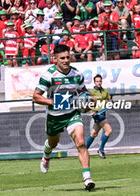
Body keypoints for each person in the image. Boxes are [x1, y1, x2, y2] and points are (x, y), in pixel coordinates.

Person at [32, 44, 95, 191]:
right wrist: (52, 102)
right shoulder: (49, 75)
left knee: (80, 142)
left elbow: (84, 92)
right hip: (54, 117)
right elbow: (36, 97)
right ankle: (47, 153)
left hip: (72, 113)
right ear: (55, 59)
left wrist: (90, 101)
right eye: (62, 58)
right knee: (53, 143)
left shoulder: (76, 74)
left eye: (68, 57)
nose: (66, 60)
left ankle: (87, 179)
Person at [85, 74, 112, 159]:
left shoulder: (105, 91)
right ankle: (101, 149)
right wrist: (90, 111)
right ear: (94, 82)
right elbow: (84, 102)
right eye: (97, 81)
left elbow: (109, 99)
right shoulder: (91, 92)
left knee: (94, 134)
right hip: (97, 115)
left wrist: (110, 102)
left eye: (100, 81)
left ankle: (84, 151)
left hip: (102, 113)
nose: (98, 83)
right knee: (109, 130)